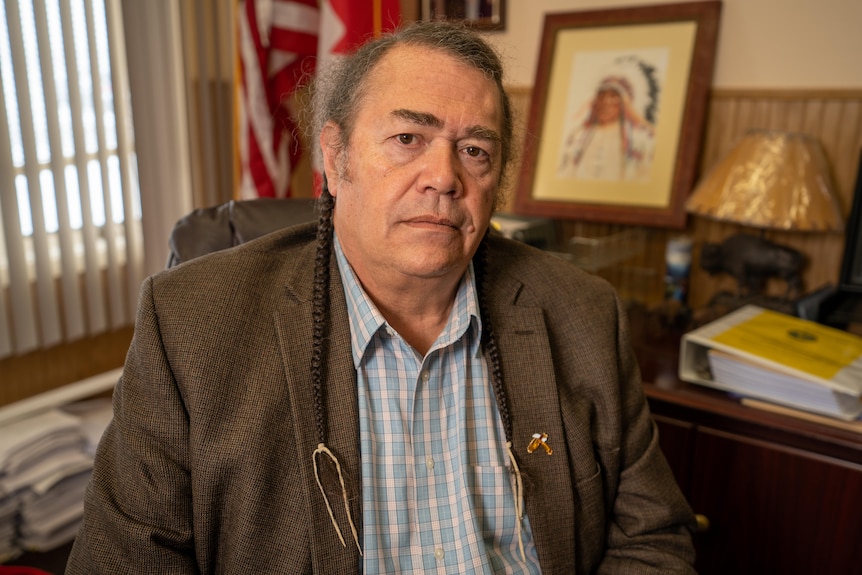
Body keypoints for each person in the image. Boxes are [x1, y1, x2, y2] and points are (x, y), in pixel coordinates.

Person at [67, 21, 696, 574]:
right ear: (335, 159)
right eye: (407, 140)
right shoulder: (190, 327)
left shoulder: (582, 313)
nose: (445, 177)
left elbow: (651, 540)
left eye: (475, 151)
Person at [558, 66, 657, 182]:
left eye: (614, 97)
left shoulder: (639, 139)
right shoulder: (578, 136)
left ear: (625, 104)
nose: (606, 102)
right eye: (602, 96)